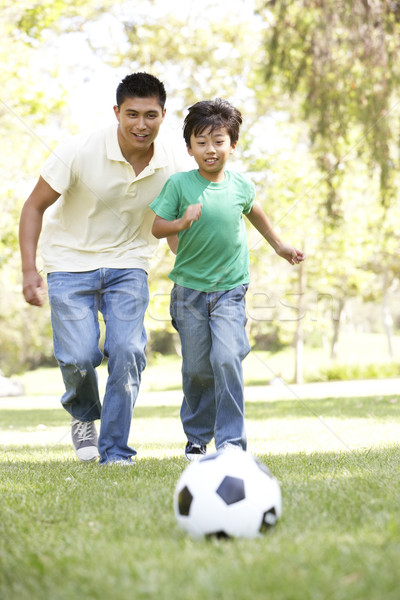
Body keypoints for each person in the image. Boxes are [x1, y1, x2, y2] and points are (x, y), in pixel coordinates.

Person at [19, 72, 191, 465]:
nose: (141, 125)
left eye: (151, 115)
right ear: (116, 112)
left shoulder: (174, 164)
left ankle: (115, 450)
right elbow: (34, 207)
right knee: (78, 357)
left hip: (129, 263)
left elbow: (174, 229)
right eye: (132, 114)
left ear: (164, 115)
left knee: (128, 350)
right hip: (68, 262)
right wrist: (30, 271)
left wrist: (200, 272)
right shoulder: (79, 150)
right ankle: (83, 416)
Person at [150, 98, 305, 461]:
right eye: (201, 142)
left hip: (230, 290)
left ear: (232, 145)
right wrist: (181, 223)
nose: (210, 149)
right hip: (188, 291)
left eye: (218, 140)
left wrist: (280, 246)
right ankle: (197, 439)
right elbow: (157, 227)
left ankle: (232, 443)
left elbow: (258, 217)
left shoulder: (241, 186)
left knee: (225, 358)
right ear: (189, 147)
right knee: (196, 367)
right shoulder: (178, 185)